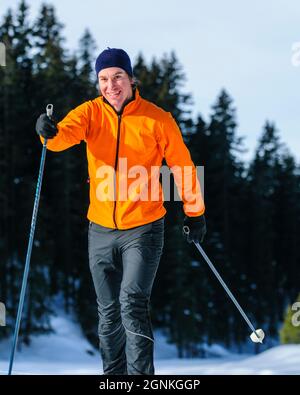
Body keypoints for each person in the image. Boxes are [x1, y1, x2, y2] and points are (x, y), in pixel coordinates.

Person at [35, 48, 206, 375]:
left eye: (117, 77)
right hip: (99, 229)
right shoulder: (90, 114)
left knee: (131, 303)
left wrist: (194, 212)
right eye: (103, 78)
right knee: (108, 311)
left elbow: (182, 168)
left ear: (131, 79)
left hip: (143, 227)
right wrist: (49, 132)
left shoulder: (157, 119)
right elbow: (62, 136)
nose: (110, 85)